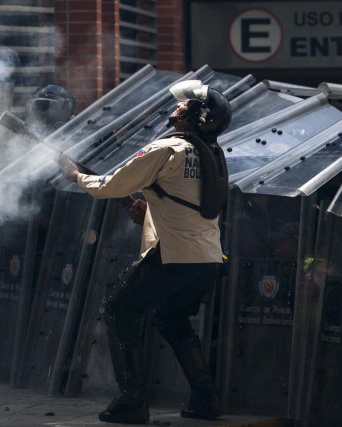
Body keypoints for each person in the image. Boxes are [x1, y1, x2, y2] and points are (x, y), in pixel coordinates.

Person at [62, 80, 232, 424]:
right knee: (173, 319)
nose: (178, 107)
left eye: (185, 106)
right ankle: (206, 399)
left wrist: (77, 176)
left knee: (118, 311)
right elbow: (187, 205)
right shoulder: (210, 153)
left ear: (198, 117)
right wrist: (149, 214)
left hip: (173, 256)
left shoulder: (165, 148)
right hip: (208, 259)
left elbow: (109, 186)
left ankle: (133, 400)